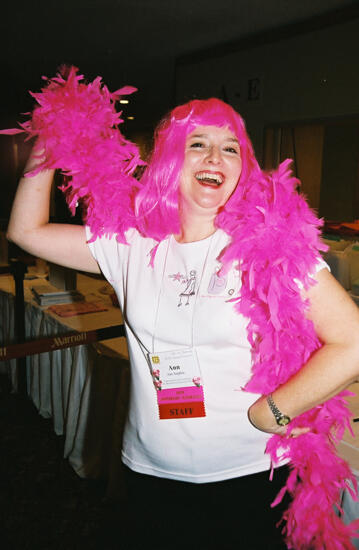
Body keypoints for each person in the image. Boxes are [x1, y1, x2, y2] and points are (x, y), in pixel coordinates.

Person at [6, 89, 359, 550]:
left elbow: (351, 340)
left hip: (248, 472)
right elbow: (25, 231)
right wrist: (52, 136)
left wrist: (273, 410)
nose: (215, 155)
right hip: (151, 470)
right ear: (170, 158)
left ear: (243, 167)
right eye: (198, 143)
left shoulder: (269, 247)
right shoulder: (131, 243)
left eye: (230, 147)